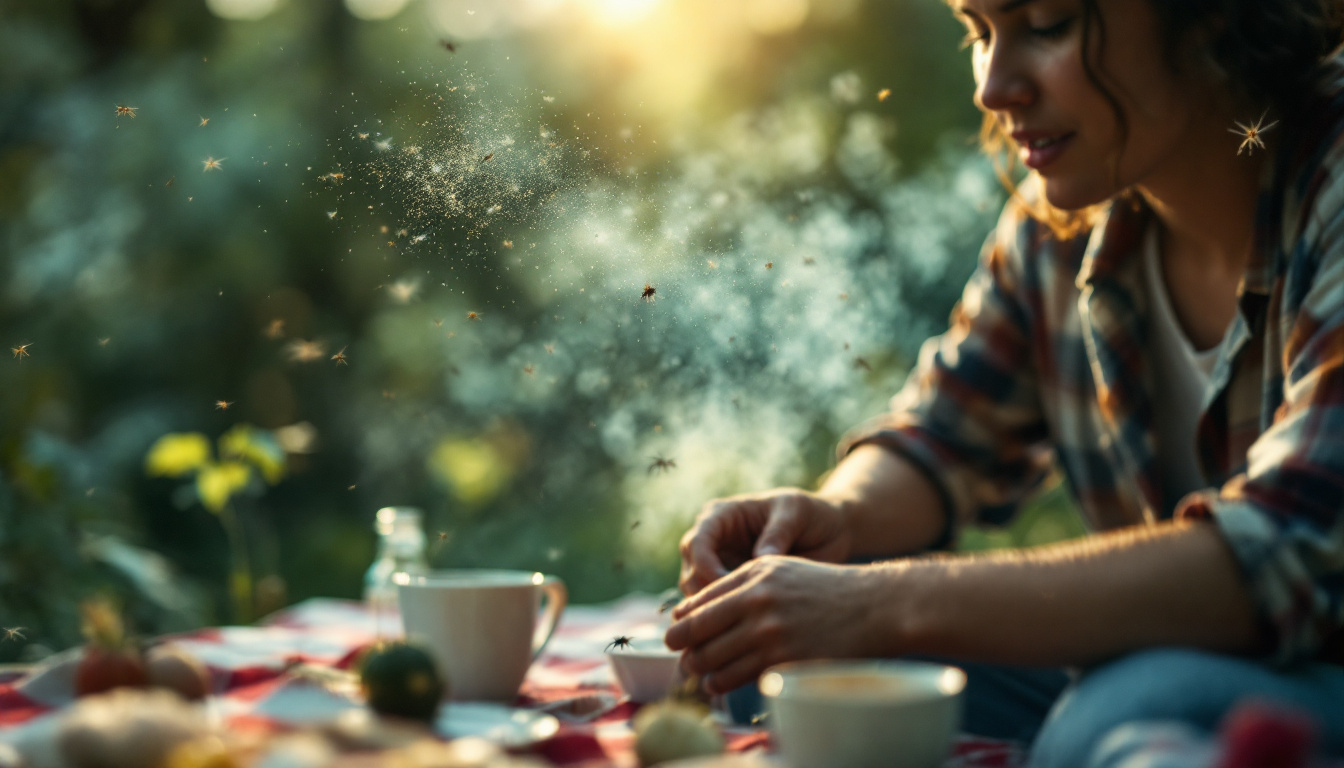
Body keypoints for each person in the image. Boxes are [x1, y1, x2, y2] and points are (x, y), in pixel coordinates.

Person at [663, 0, 1344, 765]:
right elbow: (944, 436)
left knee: (1119, 710)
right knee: (777, 663)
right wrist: (835, 518)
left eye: (1048, 23)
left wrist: (874, 603)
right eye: (979, 32)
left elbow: (1286, 550)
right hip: (1167, 657)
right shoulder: (1062, 223)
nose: (992, 87)